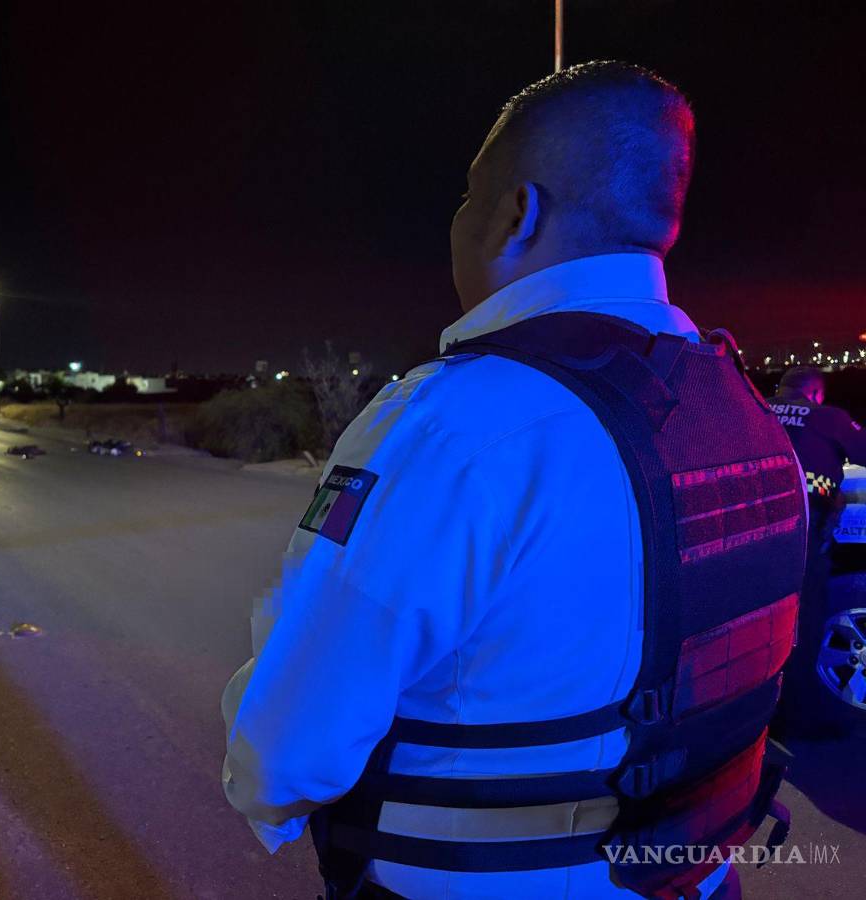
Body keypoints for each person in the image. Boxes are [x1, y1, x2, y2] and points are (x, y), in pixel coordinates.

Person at [222, 61, 807, 900]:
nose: (457, 223)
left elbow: (287, 753)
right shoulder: (748, 417)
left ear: (515, 214)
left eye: (467, 199)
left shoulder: (453, 427)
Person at [767, 367, 866, 738]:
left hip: (755, 536)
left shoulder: (756, 408)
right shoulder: (826, 417)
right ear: (815, 393)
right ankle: (796, 720)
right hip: (804, 534)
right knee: (805, 625)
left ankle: (760, 713)